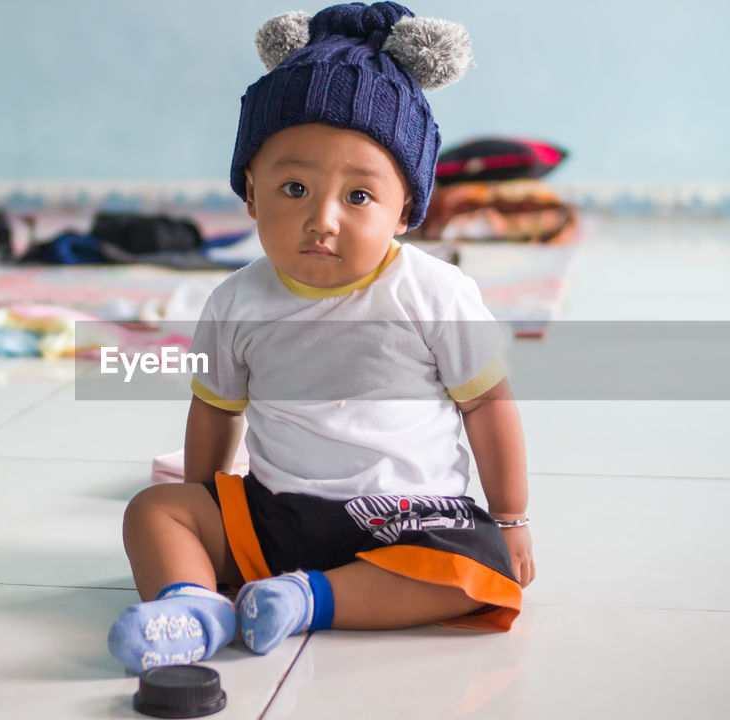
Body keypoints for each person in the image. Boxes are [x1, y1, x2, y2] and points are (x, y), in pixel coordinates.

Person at [107, 1, 534, 674]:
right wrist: (212, 513)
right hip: (279, 513)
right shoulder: (237, 300)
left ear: (406, 211)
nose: (322, 220)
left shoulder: (434, 294)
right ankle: (194, 605)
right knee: (155, 512)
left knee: (473, 566)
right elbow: (216, 410)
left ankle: (311, 600)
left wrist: (509, 518)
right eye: (294, 187)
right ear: (250, 194)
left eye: (359, 197)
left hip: (407, 515)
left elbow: (487, 406)